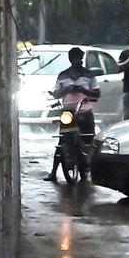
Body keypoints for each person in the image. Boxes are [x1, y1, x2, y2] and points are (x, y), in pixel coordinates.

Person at [44, 47, 100, 182]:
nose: (77, 61)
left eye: (79, 58)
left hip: (84, 111)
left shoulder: (89, 75)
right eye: (75, 58)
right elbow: (56, 93)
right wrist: (66, 90)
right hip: (68, 112)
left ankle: (89, 168)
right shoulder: (63, 75)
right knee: (62, 141)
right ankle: (53, 172)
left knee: (88, 141)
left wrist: (83, 91)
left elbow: (97, 94)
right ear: (70, 60)